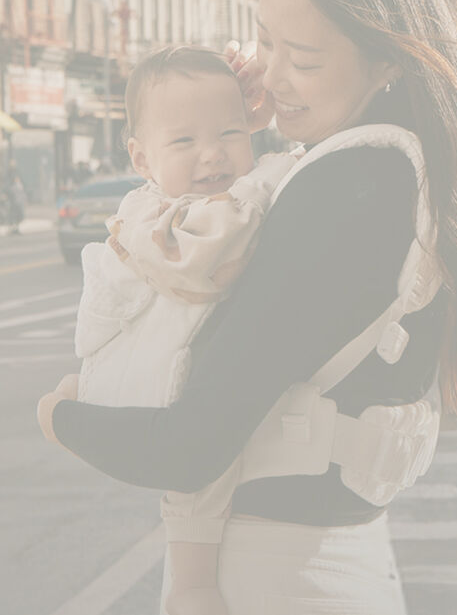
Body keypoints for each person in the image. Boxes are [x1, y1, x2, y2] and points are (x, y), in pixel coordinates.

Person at [38, 0, 457, 614]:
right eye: (265, 43)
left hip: (272, 576)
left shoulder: (344, 188)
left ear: (389, 55)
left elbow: (186, 447)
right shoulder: (411, 161)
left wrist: (61, 416)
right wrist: (258, 123)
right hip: (340, 558)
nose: (270, 76)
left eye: (302, 60)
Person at [70, 46, 297, 615]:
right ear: (142, 158)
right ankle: (194, 586)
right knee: (202, 481)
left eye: (230, 132)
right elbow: (202, 261)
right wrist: (266, 174)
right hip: (163, 393)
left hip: (180, 376)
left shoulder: (191, 198)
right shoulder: (157, 217)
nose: (212, 155)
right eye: (183, 142)